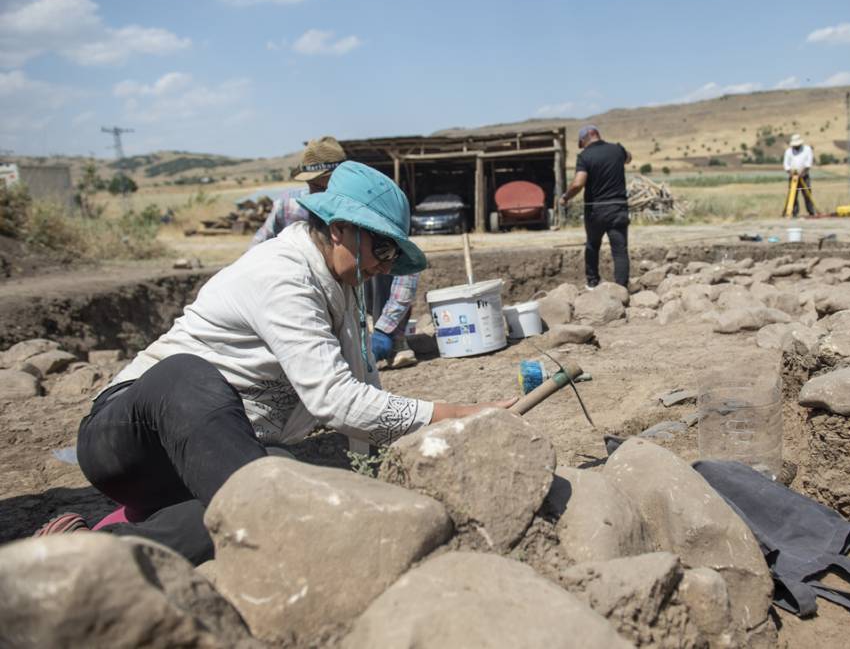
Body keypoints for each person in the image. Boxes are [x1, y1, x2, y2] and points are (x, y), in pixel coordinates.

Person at [37, 162, 511, 563]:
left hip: (199, 460)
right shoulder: (282, 275)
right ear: (339, 228)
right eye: (382, 248)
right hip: (128, 438)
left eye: (393, 253)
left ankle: (98, 552)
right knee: (188, 376)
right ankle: (258, 514)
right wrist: (453, 414)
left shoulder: (342, 291)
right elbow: (335, 401)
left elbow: (365, 392)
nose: (386, 266)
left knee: (285, 485)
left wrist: (392, 474)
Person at [252, 136, 418, 368]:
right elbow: (257, 249)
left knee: (377, 259)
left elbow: (406, 272)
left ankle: (392, 339)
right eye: (314, 187)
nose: (320, 194)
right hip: (316, 295)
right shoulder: (288, 206)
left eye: (326, 186)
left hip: (364, 295)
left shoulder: (369, 206)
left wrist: (385, 329)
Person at [558, 125, 632, 289]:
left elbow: (578, 183)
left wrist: (565, 197)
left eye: (581, 143)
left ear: (584, 139)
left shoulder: (585, 156)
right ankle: (621, 288)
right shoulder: (617, 149)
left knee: (592, 245)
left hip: (595, 211)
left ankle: (592, 283)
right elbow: (629, 158)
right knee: (620, 250)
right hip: (618, 209)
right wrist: (621, 153)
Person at [783, 134, 816, 217]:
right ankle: (794, 212)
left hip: (804, 176)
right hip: (793, 177)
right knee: (792, 196)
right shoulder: (788, 151)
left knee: (807, 194)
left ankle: (811, 212)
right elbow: (786, 165)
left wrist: (802, 173)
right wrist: (791, 173)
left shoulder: (807, 149)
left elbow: (808, 164)